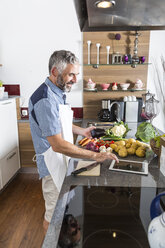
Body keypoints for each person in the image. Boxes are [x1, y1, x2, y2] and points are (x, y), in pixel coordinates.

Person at [29, 50, 118, 234]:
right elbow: (58, 144)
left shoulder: (56, 91)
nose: (75, 80)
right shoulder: (45, 99)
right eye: (71, 74)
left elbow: (58, 124)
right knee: (52, 218)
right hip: (53, 166)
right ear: (55, 72)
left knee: (63, 210)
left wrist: (81, 131)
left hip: (63, 161)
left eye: (76, 74)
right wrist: (96, 155)